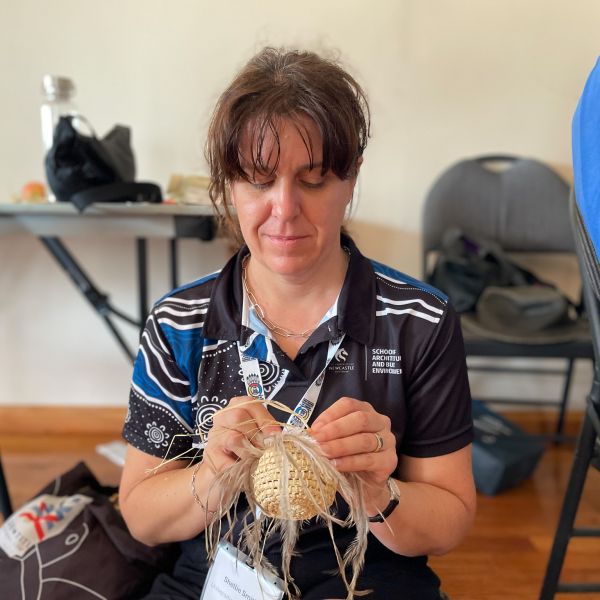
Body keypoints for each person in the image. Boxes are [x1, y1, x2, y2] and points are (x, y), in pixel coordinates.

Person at [119, 47, 476, 600]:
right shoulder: (179, 324)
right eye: (259, 181)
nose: (284, 209)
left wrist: (380, 492)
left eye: (313, 180)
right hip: (216, 578)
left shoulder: (419, 321)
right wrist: (211, 474)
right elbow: (141, 516)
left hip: (368, 580)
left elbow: (450, 519)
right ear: (229, 186)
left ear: (350, 180)